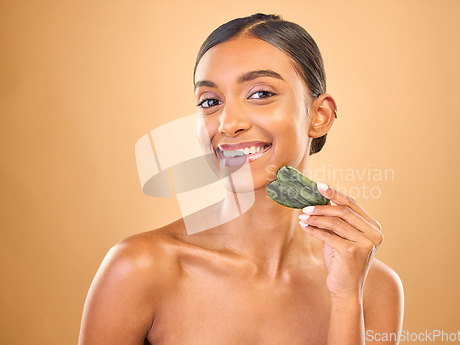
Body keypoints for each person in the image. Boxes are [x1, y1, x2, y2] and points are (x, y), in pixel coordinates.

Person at [78, 13, 404, 345]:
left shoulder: (373, 288)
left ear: (319, 116)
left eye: (260, 94)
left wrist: (346, 299)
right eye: (210, 101)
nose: (228, 123)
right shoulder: (140, 268)